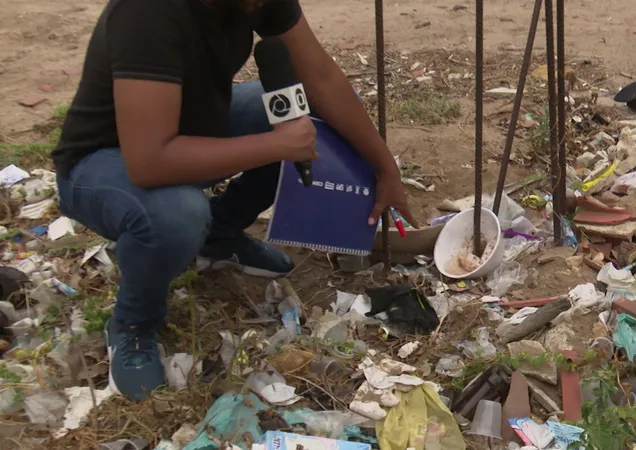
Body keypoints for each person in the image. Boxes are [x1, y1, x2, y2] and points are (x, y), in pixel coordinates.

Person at [51, 0, 416, 400]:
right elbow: (148, 162)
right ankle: (133, 324)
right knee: (177, 215)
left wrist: (385, 167)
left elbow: (322, 78)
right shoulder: (148, 12)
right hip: (105, 162)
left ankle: (219, 235)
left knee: (305, 108)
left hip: (194, 132)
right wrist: (275, 144)